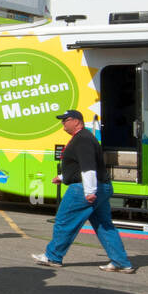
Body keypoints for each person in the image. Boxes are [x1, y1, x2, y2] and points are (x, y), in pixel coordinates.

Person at [33, 110, 134, 273]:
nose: (62, 124)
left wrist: (90, 191)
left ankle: (53, 256)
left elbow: (88, 167)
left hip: (83, 188)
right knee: (104, 226)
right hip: (100, 186)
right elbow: (79, 166)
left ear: (76, 121)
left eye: (65, 120)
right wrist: (62, 176)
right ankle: (121, 262)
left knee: (64, 221)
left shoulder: (82, 140)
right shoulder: (85, 138)